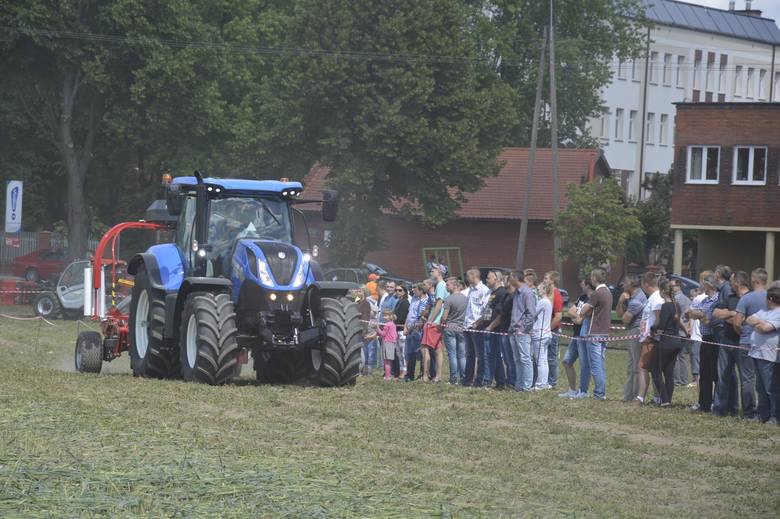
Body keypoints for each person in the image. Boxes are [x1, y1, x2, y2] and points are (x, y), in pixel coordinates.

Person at [712, 268, 753, 418]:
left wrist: (731, 316)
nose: (730, 284)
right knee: (723, 375)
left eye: (732, 281)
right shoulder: (729, 296)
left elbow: (742, 320)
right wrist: (734, 314)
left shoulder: (749, 297)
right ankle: (719, 408)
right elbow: (716, 313)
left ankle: (743, 410)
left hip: (742, 342)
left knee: (745, 378)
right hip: (726, 340)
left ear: (737, 282)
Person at [733, 268, 768, 418]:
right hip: (768, 344)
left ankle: (748, 412)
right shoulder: (772, 297)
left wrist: (742, 333)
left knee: (748, 379)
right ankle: (766, 411)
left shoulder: (747, 299)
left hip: (747, 342)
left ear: (754, 280)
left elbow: (737, 322)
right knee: (766, 379)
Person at [686, 274, 720, 412]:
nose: (701, 286)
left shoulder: (717, 300)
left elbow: (709, 319)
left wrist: (700, 315)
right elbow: (691, 314)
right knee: (704, 372)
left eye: (703, 284)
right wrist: (700, 315)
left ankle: (717, 403)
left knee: (715, 373)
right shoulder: (705, 300)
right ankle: (704, 403)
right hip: (704, 338)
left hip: (715, 339)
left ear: (709, 285)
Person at [746, 286, 780, 424]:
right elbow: (749, 319)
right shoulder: (765, 311)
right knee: (760, 387)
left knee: (771, 388)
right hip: (757, 353)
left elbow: (766, 328)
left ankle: (774, 416)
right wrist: (760, 323)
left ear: (771, 298)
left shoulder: (778, 313)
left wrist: (759, 323)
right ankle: (762, 414)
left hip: (769, 357)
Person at [577, 268, 613, 400]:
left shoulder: (597, 293)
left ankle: (599, 393)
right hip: (605, 333)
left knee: (595, 364)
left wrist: (579, 313)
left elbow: (586, 308)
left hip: (594, 333)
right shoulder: (608, 292)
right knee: (600, 363)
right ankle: (601, 391)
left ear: (594, 279)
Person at [649, 279, 685, 407]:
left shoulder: (665, 306)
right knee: (669, 372)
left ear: (663, 292)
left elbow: (662, 325)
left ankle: (664, 400)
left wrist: (652, 328)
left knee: (656, 371)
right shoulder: (677, 306)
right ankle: (668, 400)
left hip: (666, 342)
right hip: (676, 341)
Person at [615, 274, 647, 401]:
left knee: (635, 366)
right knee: (631, 365)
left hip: (635, 331)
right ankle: (628, 396)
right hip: (631, 331)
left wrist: (622, 302)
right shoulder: (631, 297)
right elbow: (619, 314)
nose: (623, 285)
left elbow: (625, 320)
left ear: (631, 285)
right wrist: (620, 301)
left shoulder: (637, 300)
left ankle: (635, 395)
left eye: (625, 283)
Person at [559, 278, 592, 399]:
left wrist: (577, 316)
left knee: (585, 364)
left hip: (584, 336)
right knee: (567, 361)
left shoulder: (592, 299)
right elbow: (570, 311)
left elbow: (579, 320)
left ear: (588, 284)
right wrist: (577, 316)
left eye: (582, 283)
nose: (580, 284)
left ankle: (584, 391)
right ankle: (572, 390)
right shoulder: (582, 297)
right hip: (575, 336)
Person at [635, 272, 664, 406]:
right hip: (648, 338)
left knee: (643, 367)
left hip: (651, 339)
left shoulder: (656, 298)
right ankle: (657, 397)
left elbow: (659, 317)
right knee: (652, 369)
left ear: (646, 284)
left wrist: (653, 332)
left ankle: (640, 398)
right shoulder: (653, 297)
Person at [485, 271, 514, 389]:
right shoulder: (493, 293)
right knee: (495, 356)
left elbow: (501, 314)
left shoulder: (503, 293)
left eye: (488, 277)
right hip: (489, 328)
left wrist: (491, 326)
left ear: (497, 279)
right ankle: (500, 381)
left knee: (496, 356)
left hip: (498, 329)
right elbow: (489, 310)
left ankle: (497, 380)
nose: (486, 279)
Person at [508, 270, 536, 392]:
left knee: (525, 359)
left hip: (522, 332)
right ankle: (519, 385)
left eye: (511, 278)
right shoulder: (516, 293)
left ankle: (527, 386)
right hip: (513, 331)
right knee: (517, 359)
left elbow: (531, 314)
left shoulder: (527, 293)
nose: (509, 280)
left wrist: (523, 329)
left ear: (515, 278)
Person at [462, 269, 490, 387]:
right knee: (469, 354)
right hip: (467, 326)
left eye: (468, 276)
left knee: (480, 355)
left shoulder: (484, 291)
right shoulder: (470, 290)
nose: (466, 278)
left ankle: (480, 379)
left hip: (477, 327)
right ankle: (467, 379)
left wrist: (478, 323)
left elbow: (486, 311)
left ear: (474, 276)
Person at [421, 266, 447, 382]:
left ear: (440, 272)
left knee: (425, 348)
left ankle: (426, 376)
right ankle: (437, 376)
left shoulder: (441, 285)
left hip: (435, 321)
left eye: (433, 270)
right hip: (437, 321)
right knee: (438, 348)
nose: (430, 272)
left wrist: (430, 320)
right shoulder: (440, 285)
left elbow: (439, 303)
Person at [441, 277, 468, 384]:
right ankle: (464, 377)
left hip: (450, 328)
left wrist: (442, 324)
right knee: (462, 355)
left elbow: (444, 316)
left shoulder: (449, 299)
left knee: (452, 354)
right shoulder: (465, 298)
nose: (446, 286)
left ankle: (453, 378)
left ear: (455, 286)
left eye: (448, 285)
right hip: (461, 328)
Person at [543, 271, 565, 389]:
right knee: (544, 357)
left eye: (546, 278)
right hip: (545, 331)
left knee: (551, 357)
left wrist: (548, 329)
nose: (544, 280)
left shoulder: (556, 295)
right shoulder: (547, 294)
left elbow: (558, 317)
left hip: (553, 331)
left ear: (552, 281)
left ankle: (552, 382)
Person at [531, 281, 554, 390]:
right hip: (546, 333)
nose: (537, 290)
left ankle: (540, 383)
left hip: (540, 334)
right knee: (543, 360)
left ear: (544, 290)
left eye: (539, 289)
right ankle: (544, 382)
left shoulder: (542, 302)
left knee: (540, 360)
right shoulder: (548, 302)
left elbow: (533, 314)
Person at [671, 280, 692, 386]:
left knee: (676, 357)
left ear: (678, 286)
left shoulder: (675, 300)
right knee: (683, 356)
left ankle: (676, 380)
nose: (670, 287)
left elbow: (676, 317)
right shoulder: (687, 299)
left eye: (672, 286)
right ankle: (684, 380)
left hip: (679, 330)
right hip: (686, 331)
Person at [404, 283, 427, 381]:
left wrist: (410, 330)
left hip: (416, 330)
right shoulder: (414, 299)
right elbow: (409, 314)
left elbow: (419, 319)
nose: (413, 291)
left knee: (417, 353)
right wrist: (405, 326)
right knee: (409, 353)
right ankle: (409, 374)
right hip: (409, 329)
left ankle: (421, 374)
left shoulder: (424, 302)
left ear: (421, 291)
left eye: (416, 289)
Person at [375, 308, 399, 381]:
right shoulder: (393, 324)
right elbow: (395, 335)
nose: (384, 317)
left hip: (387, 343)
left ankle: (387, 376)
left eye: (386, 316)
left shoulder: (387, 325)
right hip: (392, 343)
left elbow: (382, 334)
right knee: (389, 360)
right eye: (384, 315)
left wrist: (377, 328)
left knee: (386, 361)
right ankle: (389, 375)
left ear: (390, 316)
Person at [392, 285, 410, 380]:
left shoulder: (405, 302)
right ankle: (401, 369)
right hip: (396, 330)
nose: (398, 292)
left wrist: (394, 319)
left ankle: (405, 370)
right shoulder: (398, 301)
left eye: (400, 290)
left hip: (402, 330)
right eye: (396, 290)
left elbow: (402, 317)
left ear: (404, 292)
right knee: (399, 352)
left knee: (403, 352)